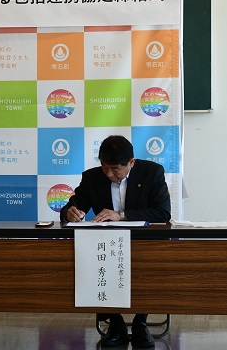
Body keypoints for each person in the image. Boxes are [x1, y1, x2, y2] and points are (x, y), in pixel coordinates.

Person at [59, 135, 171, 348]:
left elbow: (162, 212)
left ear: (131, 162)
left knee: (149, 266)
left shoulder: (152, 172)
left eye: (115, 169)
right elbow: (71, 206)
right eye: (104, 167)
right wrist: (69, 212)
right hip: (107, 243)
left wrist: (121, 215)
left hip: (143, 242)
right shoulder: (92, 177)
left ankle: (140, 322)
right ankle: (115, 322)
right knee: (96, 260)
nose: (109, 174)